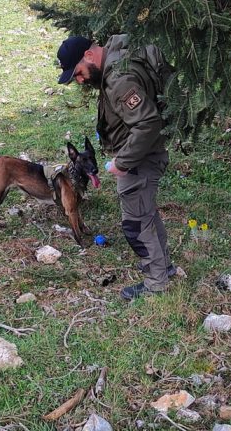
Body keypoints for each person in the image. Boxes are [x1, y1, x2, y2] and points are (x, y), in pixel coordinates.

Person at [56, 35, 176, 300]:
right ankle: (163, 267)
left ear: (89, 55)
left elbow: (147, 123)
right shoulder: (117, 60)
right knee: (146, 215)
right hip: (142, 154)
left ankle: (156, 283)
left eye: (78, 73)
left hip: (139, 159)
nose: (80, 80)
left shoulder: (119, 78)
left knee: (136, 223)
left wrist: (122, 163)